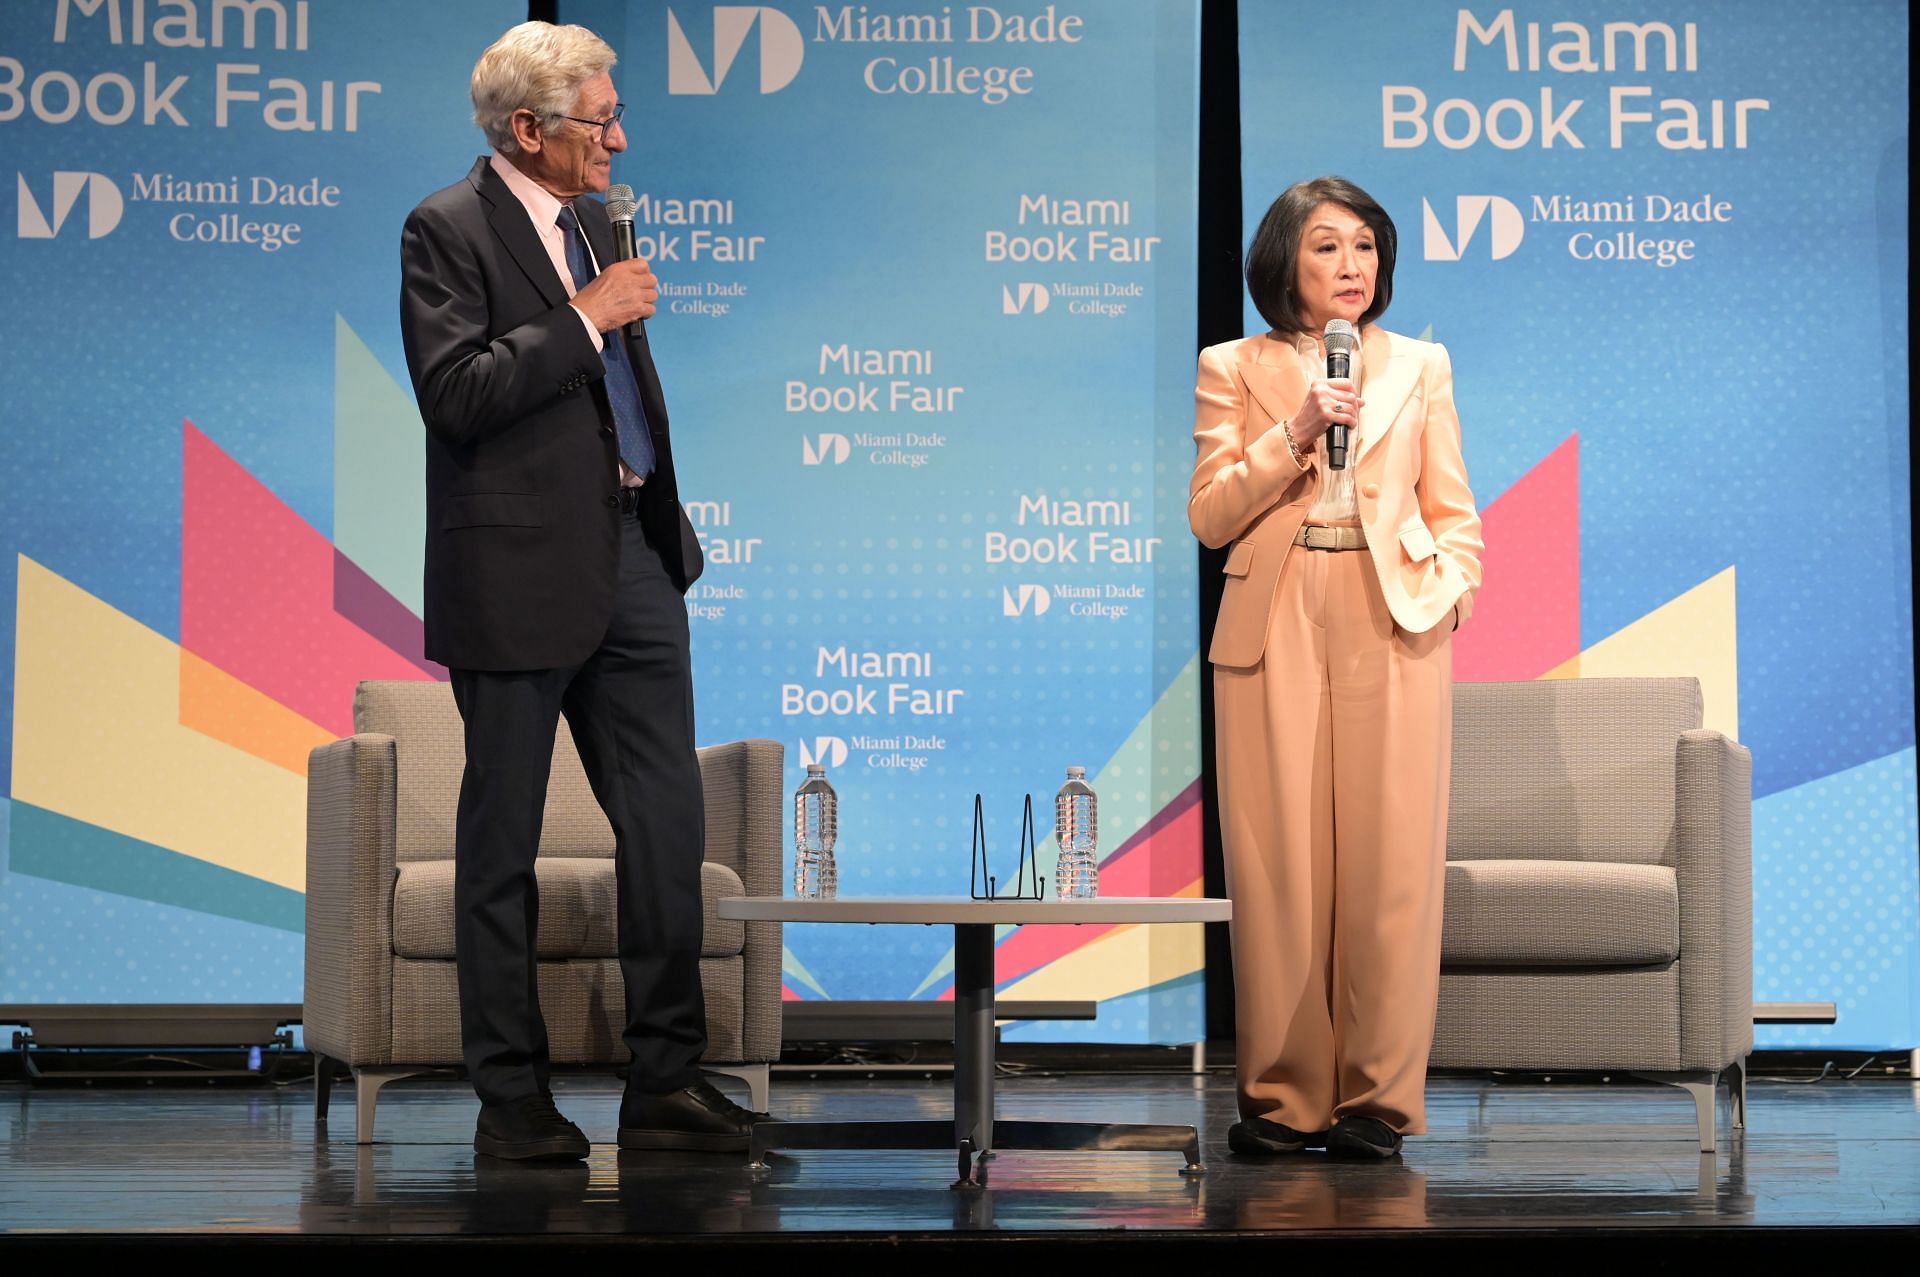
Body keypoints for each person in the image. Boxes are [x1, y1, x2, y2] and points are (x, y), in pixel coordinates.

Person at [398, 21, 767, 1161]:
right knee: (499, 838)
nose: (620, 137)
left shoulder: (597, 224)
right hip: (511, 570)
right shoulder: (446, 227)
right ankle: (511, 1102)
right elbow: (456, 393)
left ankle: (667, 1078)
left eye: (614, 114)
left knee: (666, 823)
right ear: (529, 129)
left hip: (635, 552)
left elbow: (614, 398)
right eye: (600, 120)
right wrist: (585, 316)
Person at [1190, 176, 1484, 1159]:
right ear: (1285, 262)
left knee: (1391, 864)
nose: (1351, 266)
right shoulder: (1232, 365)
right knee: (1279, 868)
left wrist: (1446, 594)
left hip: (1390, 614)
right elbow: (1211, 514)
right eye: (1327, 247)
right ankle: (1282, 1099)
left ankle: (1376, 1103)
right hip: (1274, 614)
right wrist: (1296, 430)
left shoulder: (1424, 364)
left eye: (1365, 246)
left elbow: (1455, 514)